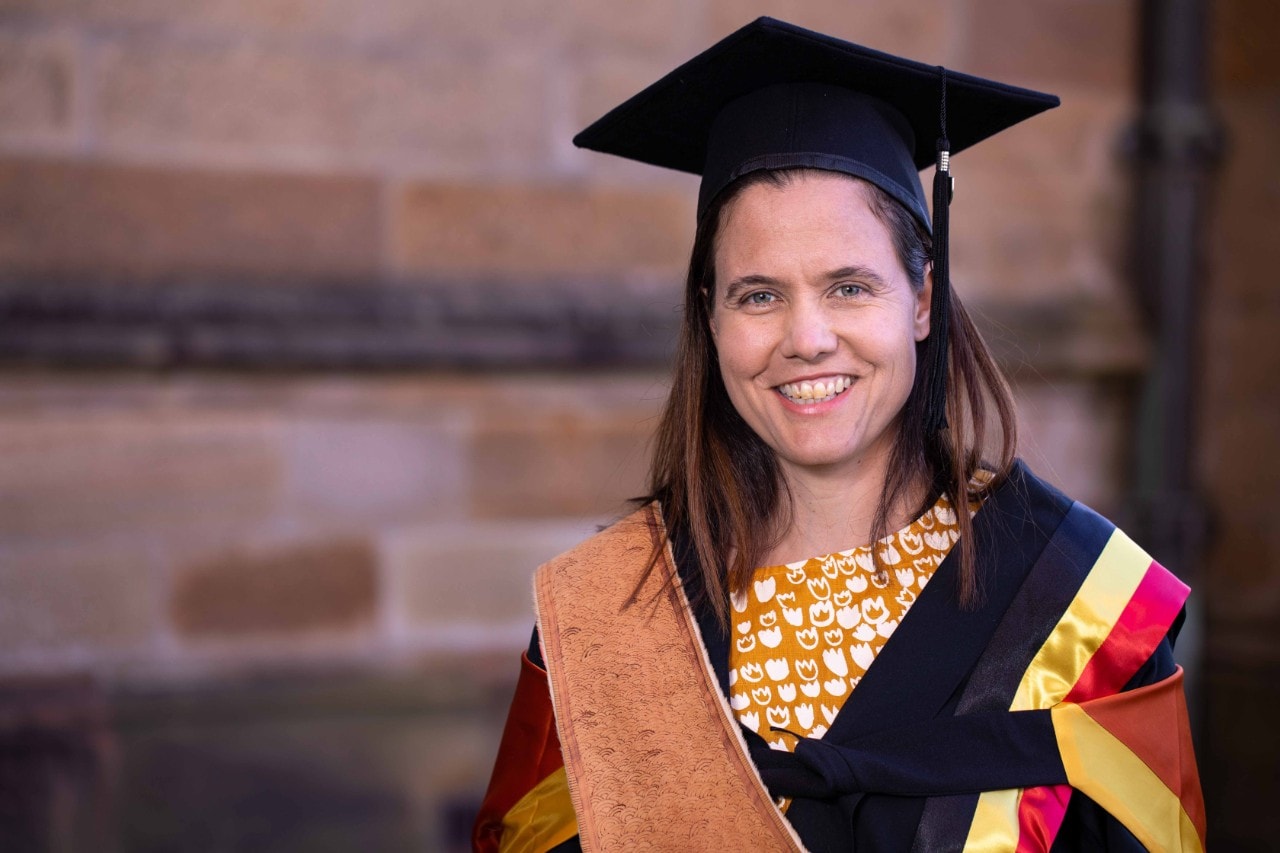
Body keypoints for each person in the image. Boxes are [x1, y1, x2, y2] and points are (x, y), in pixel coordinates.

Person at [473, 17, 1204, 853]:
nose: (807, 337)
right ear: (709, 317)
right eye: (758, 295)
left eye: (850, 286)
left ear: (921, 299)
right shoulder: (610, 616)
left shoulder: (1083, 609)